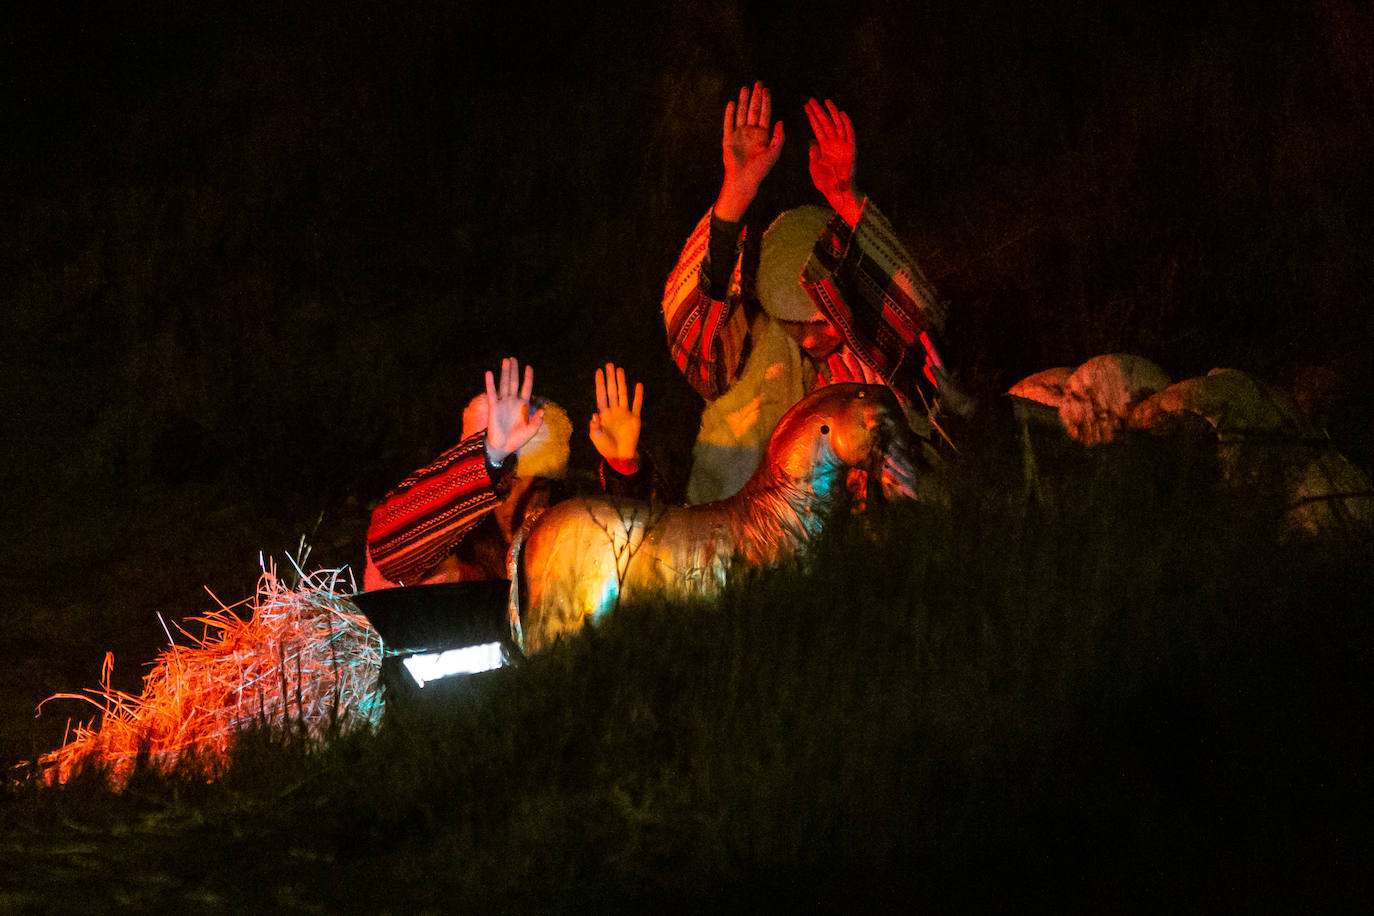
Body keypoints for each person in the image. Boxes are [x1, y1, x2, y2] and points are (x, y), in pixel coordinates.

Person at [663, 82, 971, 504]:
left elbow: (920, 322)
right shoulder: (751, 355)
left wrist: (847, 200)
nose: (815, 337)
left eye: (827, 319)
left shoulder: (874, 351)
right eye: (798, 324)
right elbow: (699, 346)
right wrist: (736, 193)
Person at [363, 357, 653, 590]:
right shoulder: (447, 545)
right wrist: (489, 458)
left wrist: (623, 473)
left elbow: (631, 562)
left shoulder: (561, 537)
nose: (527, 497)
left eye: (540, 483)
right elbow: (388, 551)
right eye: (510, 482)